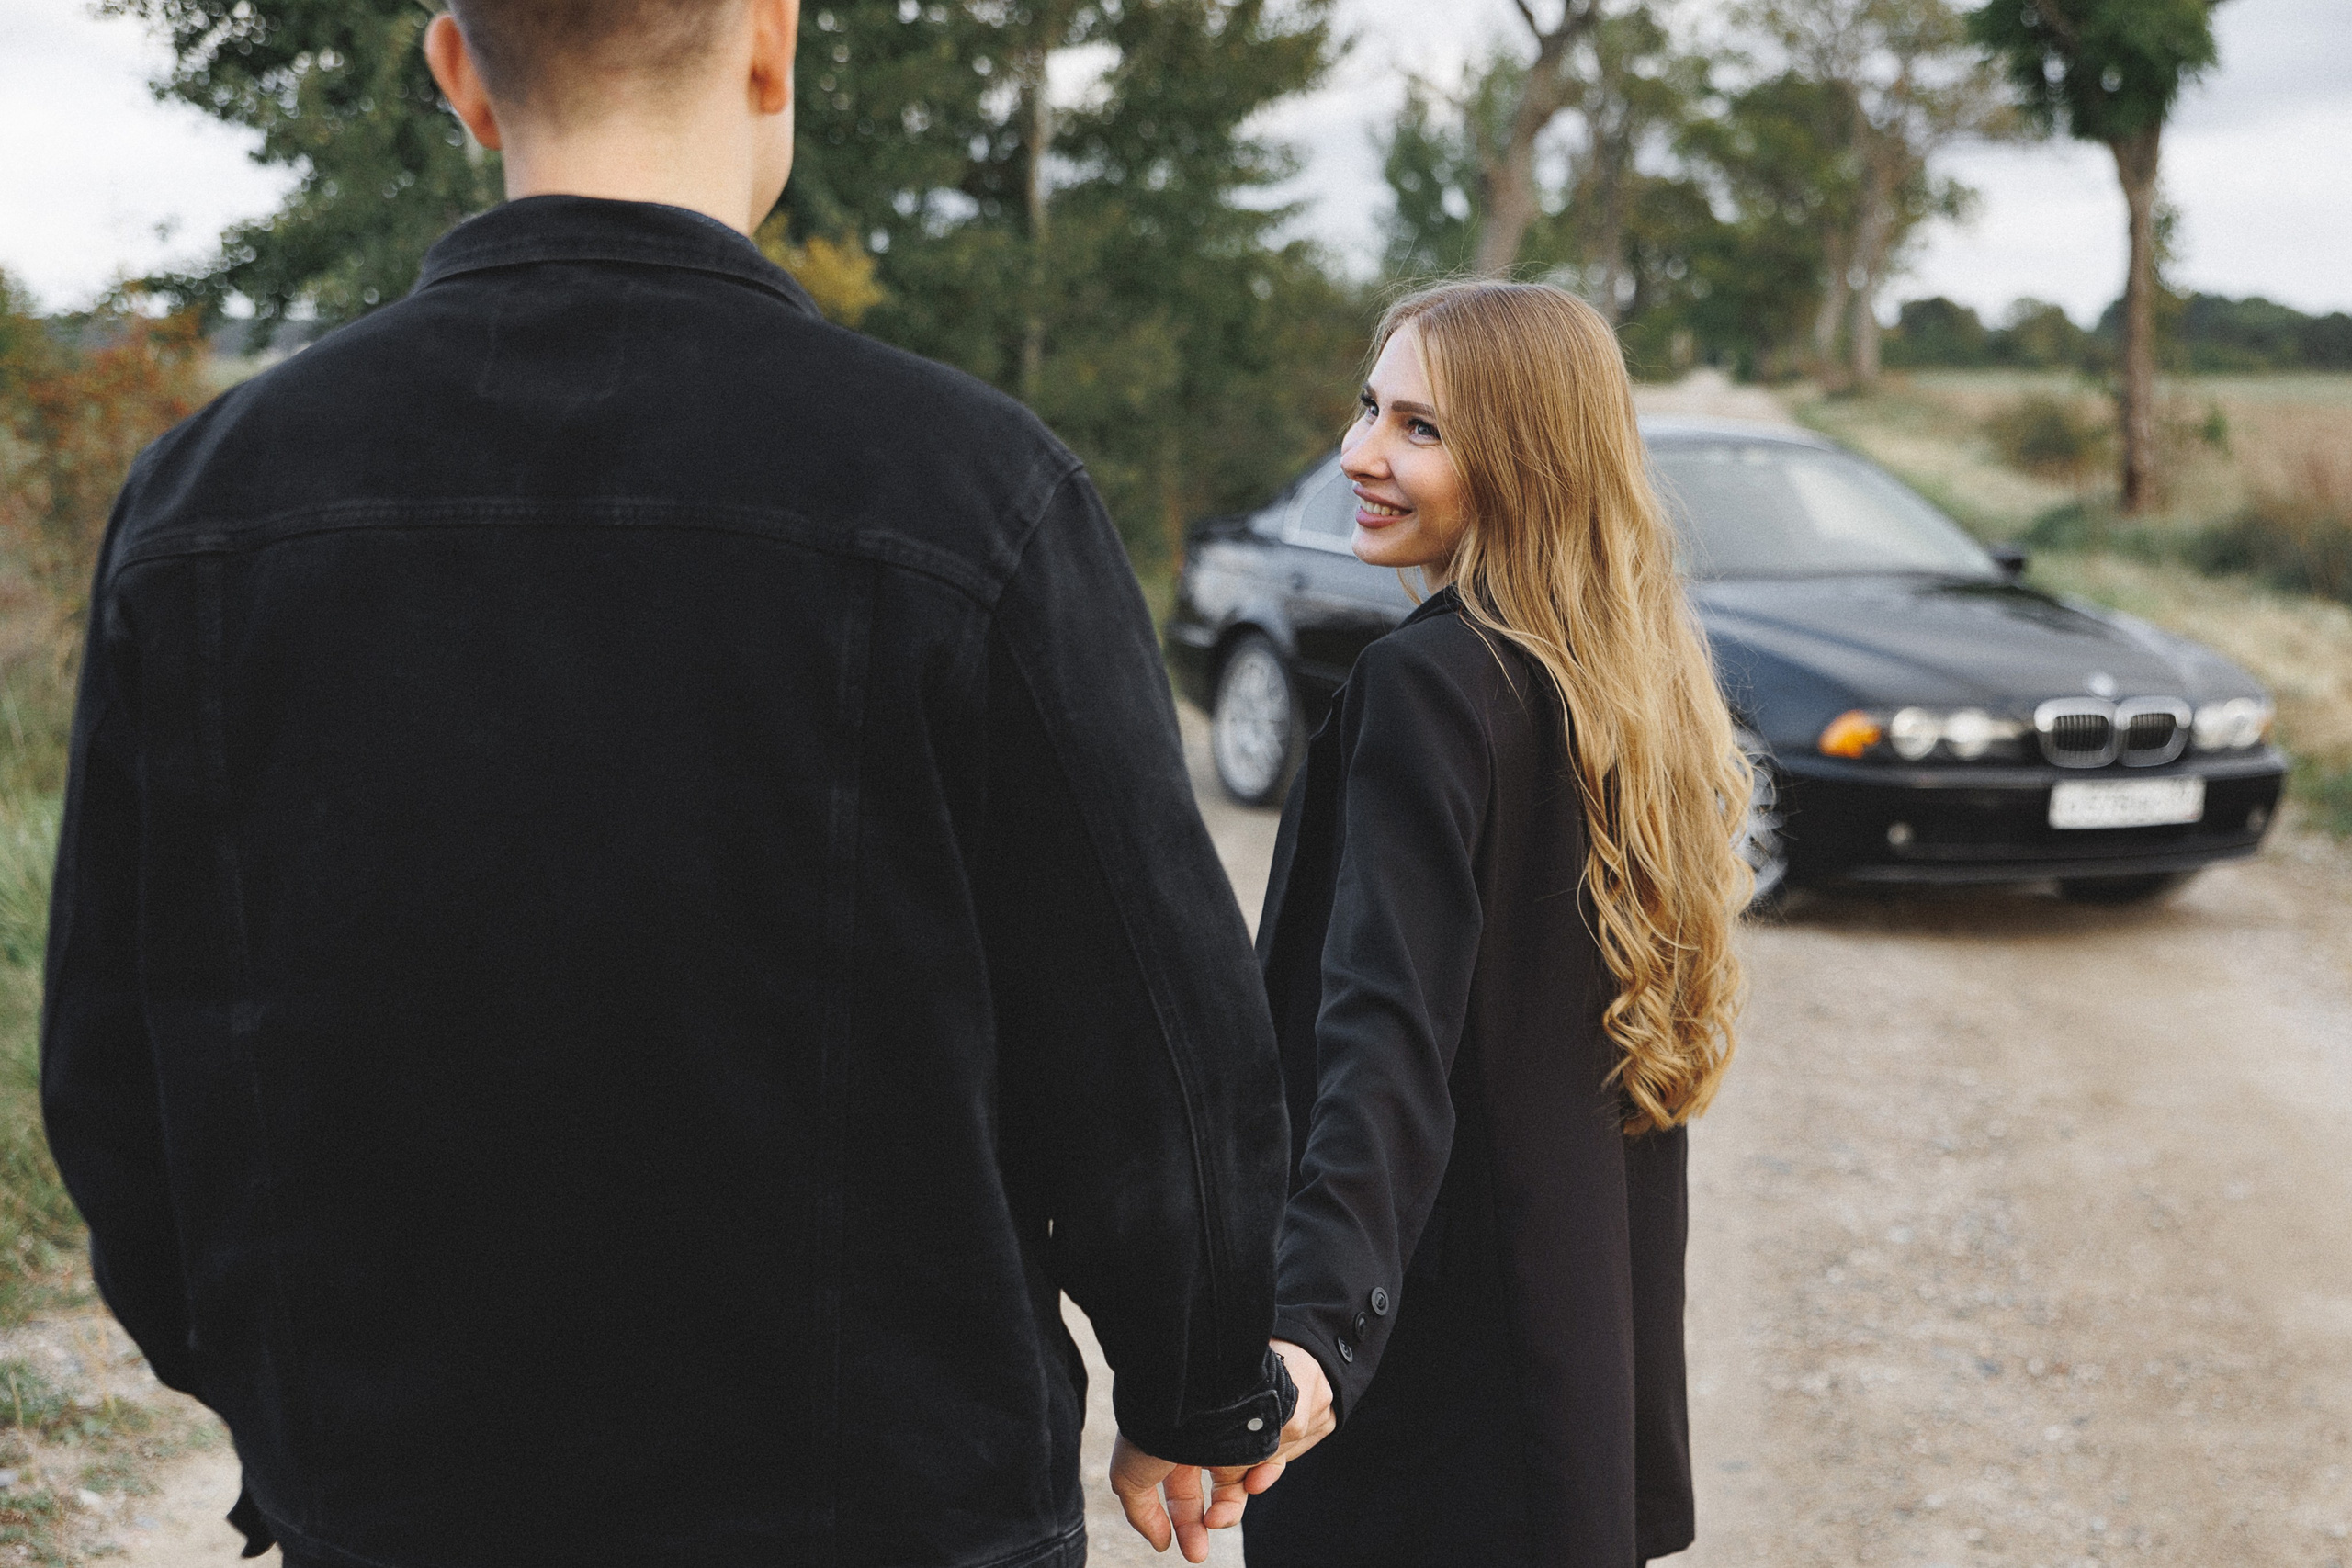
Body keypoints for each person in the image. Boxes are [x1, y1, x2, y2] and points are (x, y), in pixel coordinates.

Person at [38, 2, 1298, 1564]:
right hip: (887, 1514)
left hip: (403, 1508)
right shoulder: (974, 493)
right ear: (772, 49)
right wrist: (1198, 1384)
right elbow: (1150, 1049)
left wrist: (294, 1400)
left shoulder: (205, 501)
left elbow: (114, 1077)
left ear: (459, 75)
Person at [1240, 280, 1752, 1567]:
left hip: (1436, 1385)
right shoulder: (1628, 685)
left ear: (1523, 461)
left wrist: (1313, 1331)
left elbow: (1381, 1038)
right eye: (1371, 409)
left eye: (1420, 429)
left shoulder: (1427, 685)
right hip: (1568, 1381)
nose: (1360, 452)